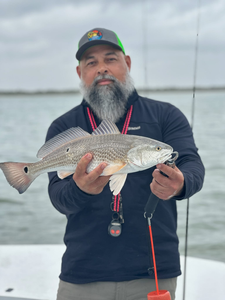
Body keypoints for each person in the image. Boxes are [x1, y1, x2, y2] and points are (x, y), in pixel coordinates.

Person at [46, 28, 205, 300]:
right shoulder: (64, 127)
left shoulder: (165, 115)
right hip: (82, 274)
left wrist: (181, 184)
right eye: (91, 63)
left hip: (153, 271)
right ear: (79, 73)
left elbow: (191, 164)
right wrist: (80, 189)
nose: (101, 69)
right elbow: (59, 198)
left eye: (110, 59)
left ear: (127, 63)